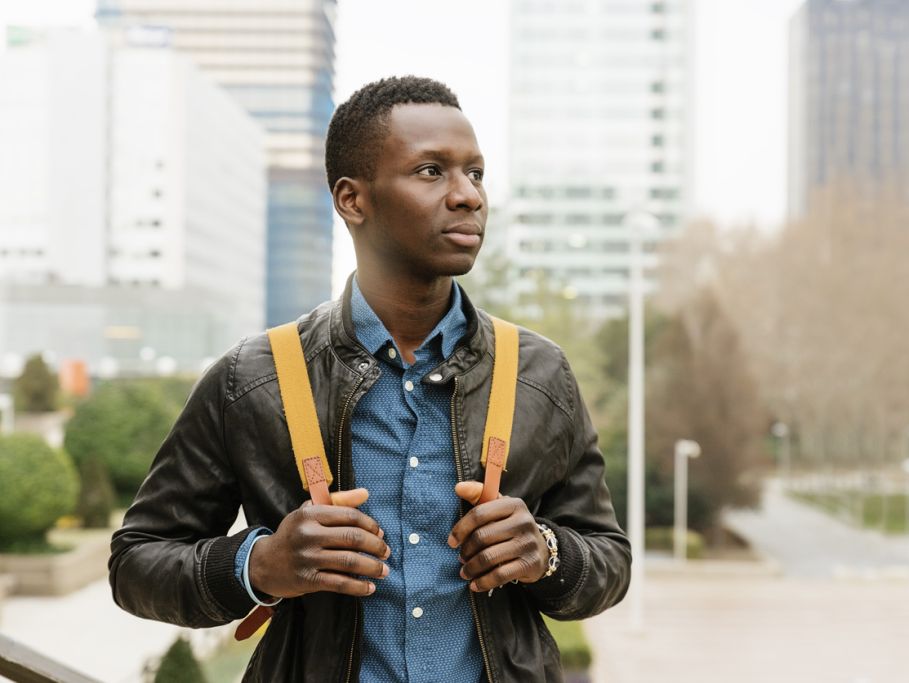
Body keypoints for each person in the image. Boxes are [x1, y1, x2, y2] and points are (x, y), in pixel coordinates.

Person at [109, 75, 630, 683]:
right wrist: (263, 564)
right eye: (432, 171)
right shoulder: (251, 378)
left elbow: (608, 561)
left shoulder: (540, 372)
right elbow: (136, 563)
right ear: (352, 200)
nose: (468, 196)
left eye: (476, 173)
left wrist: (548, 554)